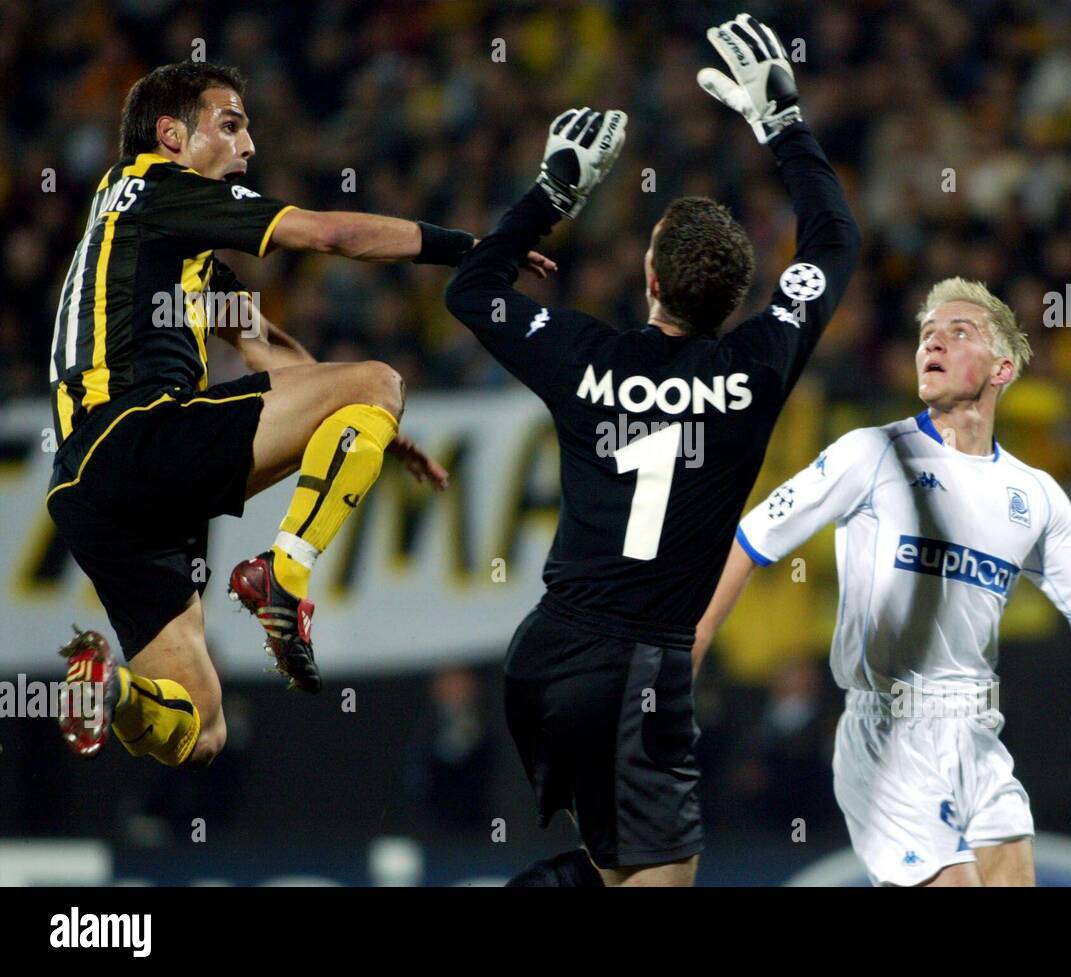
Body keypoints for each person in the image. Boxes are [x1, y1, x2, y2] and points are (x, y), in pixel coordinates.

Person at [445, 13, 861, 886]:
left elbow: (472, 286)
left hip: (545, 655)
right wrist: (783, 122)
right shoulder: (759, 365)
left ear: (650, 280)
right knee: (658, 879)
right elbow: (834, 241)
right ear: (741, 294)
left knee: (615, 865)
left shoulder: (581, 355)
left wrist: (553, 193)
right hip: (639, 671)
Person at [694, 277, 1071, 886]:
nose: (934, 343)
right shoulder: (871, 455)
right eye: (927, 334)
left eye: (958, 332)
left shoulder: (1035, 496)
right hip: (889, 734)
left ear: (1003, 367)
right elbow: (752, 539)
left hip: (977, 736)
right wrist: (691, 647)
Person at [50, 61, 554, 768]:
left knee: (199, 731)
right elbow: (328, 234)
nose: (248, 145)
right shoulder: (159, 190)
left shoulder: (150, 237)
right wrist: (474, 248)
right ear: (171, 137)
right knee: (379, 376)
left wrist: (372, 424)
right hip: (138, 436)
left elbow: (269, 352)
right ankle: (283, 574)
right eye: (230, 126)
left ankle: (110, 692)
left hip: (88, 491)